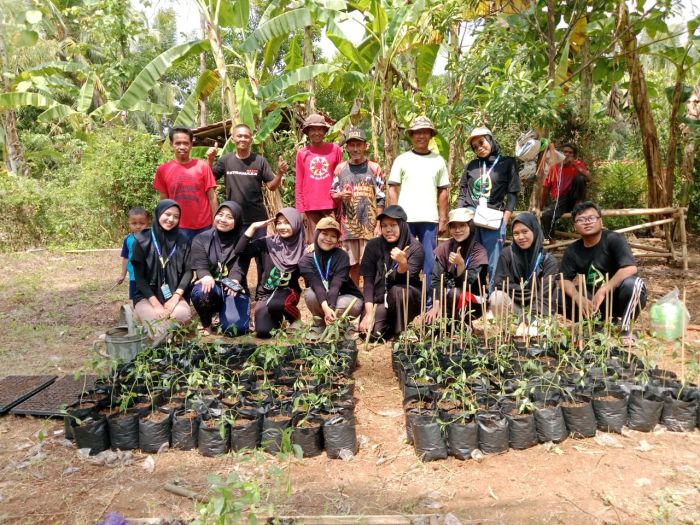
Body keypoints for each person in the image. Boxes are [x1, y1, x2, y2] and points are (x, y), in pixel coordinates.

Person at [207, 123, 288, 293]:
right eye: (239, 136)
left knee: (261, 257)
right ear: (233, 138)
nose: (243, 139)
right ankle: (239, 288)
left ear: (251, 139)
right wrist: (210, 160)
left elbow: (271, 186)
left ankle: (262, 290)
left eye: (246, 136)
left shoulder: (259, 161)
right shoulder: (226, 160)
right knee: (236, 255)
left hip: (257, 218)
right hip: (234, 220)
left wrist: (279, 174)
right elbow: (209, 179)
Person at [559, 201, 646, 343]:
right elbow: (563, 279)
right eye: (581, 220)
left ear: (601, 221)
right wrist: (577, 297)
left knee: (634, 284)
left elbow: (630, 268)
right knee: (558, 295)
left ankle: (625, 328)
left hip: (618, 297)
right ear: (574, 226)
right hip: (593, 303)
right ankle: (595, 325)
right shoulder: (573, 250)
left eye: (591, 218)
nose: (587, 222)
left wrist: (604, 290)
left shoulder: (614, 239)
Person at [387, 116, 449, 292]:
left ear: (430, 135)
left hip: (429, 218)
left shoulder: (438, 161)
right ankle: (406, 294)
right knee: (403, 256)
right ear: (411, 135)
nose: (421, 136)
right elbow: (392, 188)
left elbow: (443, 191)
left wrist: (443, 218)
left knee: (430, 260)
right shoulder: (402, 159)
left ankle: (429, 301)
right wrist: (394, 217)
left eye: (425, 132)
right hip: (405, 220)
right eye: (417, 133)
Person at [457, 126, 520, 285]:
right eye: (475, 146)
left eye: (481, 142)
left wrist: (505, 220)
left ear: (490, 140)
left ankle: (493, 299)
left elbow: (512, 193)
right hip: (471, 217)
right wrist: (460, 217)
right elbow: (463, 192)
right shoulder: (472, 166)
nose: (479, 148)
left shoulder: (508, 163)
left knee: (495, 261)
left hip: (494, 218)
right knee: (471, 258)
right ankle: (470, 299)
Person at [235, 208, 305, 338]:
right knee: (263, 332)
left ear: (296, 224)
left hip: (288, 291)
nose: (282, 227)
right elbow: (239, 252)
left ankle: (295, 318)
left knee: (278, 304)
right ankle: (277, 321)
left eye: (287, 223)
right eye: (279, 223)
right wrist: (252, 227)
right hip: (265, 294)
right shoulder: (266, 243)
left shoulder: (303, 250)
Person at [358, 205, 425, 341]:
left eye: (393, 225)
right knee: (370, 335)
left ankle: (403, 329)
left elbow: (407, 279)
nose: (388, 229)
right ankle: (390, 325)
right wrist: (369, 314)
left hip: (407, 297)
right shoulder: (373, 246)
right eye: (384, 226)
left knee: (398, 291)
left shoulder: (414, 247)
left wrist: (402, 263)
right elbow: (368, 281)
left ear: (402, 225)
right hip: (381, 298)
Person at [131, 200, 193, 343]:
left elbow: (188, 272)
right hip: (147, 298)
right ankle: (149, 325)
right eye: (167, 214)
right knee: (156, 326)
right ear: (158, 213)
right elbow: (139, 279)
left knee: (182, 315)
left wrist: (175, 299)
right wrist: (156, 305)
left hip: (173, 297)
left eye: (176, 216)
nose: (171, 219)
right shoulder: (141, 240)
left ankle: (158, 331)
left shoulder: (183, 240)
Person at [330, 127, 385, 285]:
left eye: (358, 145)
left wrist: (379, 224)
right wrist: (340, 195)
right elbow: (333, 193)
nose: (355, 149)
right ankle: (355, 298)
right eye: (351, 145)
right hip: (349, 226)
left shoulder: (374, 168)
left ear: (365, 146)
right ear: (346, 147)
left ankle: (371, 298)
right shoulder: (341, 169)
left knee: (370, 264)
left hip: (370, 225)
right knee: (352, 264)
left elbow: (380, 197)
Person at [190, 201, 250, 336]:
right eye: (220, 215)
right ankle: (207, 324)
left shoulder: (243, 241)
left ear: (237, 220)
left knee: (235, 329)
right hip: (213, 288)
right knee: (201, 292)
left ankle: (226, 314)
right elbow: (201, 265)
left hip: (233, 288)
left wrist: (235, 280)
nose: (223, 220)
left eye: (229, 217)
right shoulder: (201, 239)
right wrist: (205, 275)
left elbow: (240, 267)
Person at [489, 212, 560, 325]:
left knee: (533, 334)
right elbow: (500, 283)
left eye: (525, 231)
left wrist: (528, 321)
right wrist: (532, 293)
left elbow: (545, 295)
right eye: (516, 233)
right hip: (515, 307)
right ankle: (508, 333)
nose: (520, 237)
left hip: (540, 308)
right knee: (496, 297)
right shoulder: (507, 254)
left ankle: (531, 327)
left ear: (535, 230)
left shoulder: (548, 260)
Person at [299, 217, 363, 337]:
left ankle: (342, 323)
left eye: (333, 236)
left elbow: (336, 285)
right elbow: (316, 285)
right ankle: (319, 323)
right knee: (310, 294)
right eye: (324, 234)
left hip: (347, 297)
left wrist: (331, 308)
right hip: (321, 296)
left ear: (338, 239)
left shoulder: (342, 256)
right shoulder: (305, 260)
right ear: (317, 234)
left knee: (341, 305)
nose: (328, 239)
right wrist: (326, 308)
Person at [425, 208, 489, 324]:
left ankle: (465, 326)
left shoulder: (479, 252)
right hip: (448, 298)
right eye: (453, 226)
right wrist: (436, 305)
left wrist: (460, 264)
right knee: (430, 324)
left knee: (456, 293)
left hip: (473, 301)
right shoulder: (444, 248)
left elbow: (469, 283)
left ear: (470, 226)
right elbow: (436, 279)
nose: (457, 230)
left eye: (462, 226)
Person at [154, 127, 218, 242]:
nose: (182, 147)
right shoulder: (163, 170)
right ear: (171, 145)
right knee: (180, 260)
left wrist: (215, 223)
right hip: (177, 226)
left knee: (203, 260)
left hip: (204, 227)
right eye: (178, 143)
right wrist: (162, 224)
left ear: (191, 145)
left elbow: (212, 197)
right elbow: (163, 201)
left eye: (186, 143)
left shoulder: (203, 167)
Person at [295, 114, 343, 242]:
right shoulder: (302, 153)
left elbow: (341, 178)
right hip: (310, 206)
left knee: (331, 240)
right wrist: (301, 210)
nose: (316, 133)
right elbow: (299, 183)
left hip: (330, 204)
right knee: (313, 242)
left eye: (320, 129)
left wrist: (340, 204)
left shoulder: (335, 149)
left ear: (324, 131)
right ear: (308, 132)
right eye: (313, 129)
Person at [540, 142, 591, 240]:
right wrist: (540, 208)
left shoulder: (578, 164)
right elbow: (545, 189)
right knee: (547, 215)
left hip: (576, 198)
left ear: (574, 155)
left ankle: (578, 206)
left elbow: (589, 178)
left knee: (580, 178)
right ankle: (551, 241)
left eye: (570, 153)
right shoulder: (554, 167)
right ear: (560, 154)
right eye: (564, 152)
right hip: (561, 200)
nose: (567, 154)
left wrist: (575, 165)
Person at [116, 207, 150, 301]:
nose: (138, 226)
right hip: (134, 277)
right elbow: (126, 258)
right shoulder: (128, 239)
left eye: (142, 223)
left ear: (148, 222)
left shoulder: (152, 237)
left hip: (150, 276)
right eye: (134, 223)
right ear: (129, 223)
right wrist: (122, 275)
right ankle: (137, 314)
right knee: (137, 299)